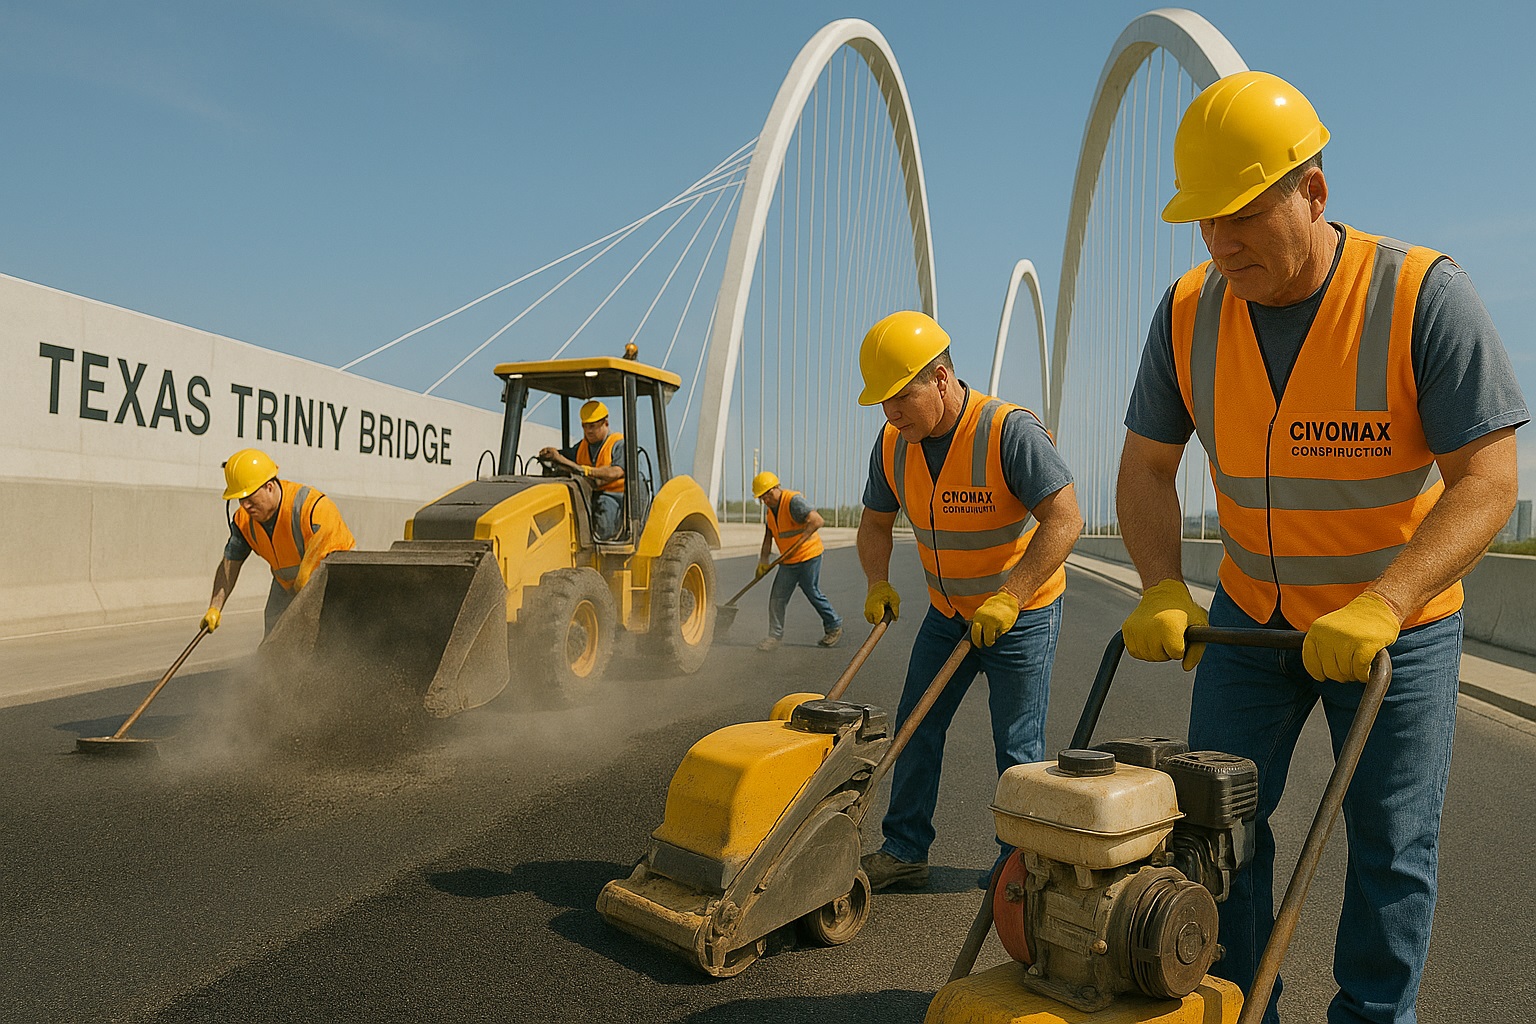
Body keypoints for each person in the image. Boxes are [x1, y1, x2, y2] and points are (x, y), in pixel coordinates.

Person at [1116, 71, 1526, 1024]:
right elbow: (1144, 469)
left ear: (1314, 192)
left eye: (1245, 214)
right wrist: (1164, 587)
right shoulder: (1186, 312)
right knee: (1218, 829)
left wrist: (1385, 602)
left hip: (1396, 628)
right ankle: (1237, 1000)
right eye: (1205, 221)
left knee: (1389, 847)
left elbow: (1489, 482)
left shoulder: (1422, 296)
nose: (1222, 243)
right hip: (1251, 617)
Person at [854, 310, 1082, 891]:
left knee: (1017, 746)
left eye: (900, 396)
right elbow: (875, 524)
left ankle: (1018, 867)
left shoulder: (1008, 431)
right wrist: (877, 580)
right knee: (917, 724)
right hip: (949, 613)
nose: (891, 413)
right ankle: (905, 849)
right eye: (883, 402)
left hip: (1020, 615)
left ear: (941, 379)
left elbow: (1064, 519)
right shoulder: (892, 445)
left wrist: (1010, 597)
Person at [202, 448, 357, 637]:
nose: (245, 506)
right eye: (240, 499)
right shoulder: (244, 521)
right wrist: (215, 608)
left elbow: (315, 576)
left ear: (269, 487)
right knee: (274, 638)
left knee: (329, 638)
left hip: (335, 582)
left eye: (250, 498)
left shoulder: (313, 509)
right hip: (288, 585)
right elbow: (230, 564)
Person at [751, 471, 842, 651]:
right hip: (789, 560)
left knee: (811, 590)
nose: (765, 501)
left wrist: (801, 540)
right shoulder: (770, 513)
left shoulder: (793, 501)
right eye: (762, 498)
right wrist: (763, 561)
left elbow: (817, 521)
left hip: (809, 555)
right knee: (777, 597)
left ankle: (834, 626)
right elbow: (768, 538)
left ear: (775, 489)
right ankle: (774, 637)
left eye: (766, 496)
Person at [540, 399, 626, 540]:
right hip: (588, 493)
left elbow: (615, 472)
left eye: (592, 426)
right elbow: (565, 457)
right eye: (585, 426)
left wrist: (583, 470)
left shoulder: (618, 444)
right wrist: (552, 455)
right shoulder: (581, 447)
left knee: (603, 516)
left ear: (606, 423)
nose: (588, 431)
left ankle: (601, 547)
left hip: (615, 496)